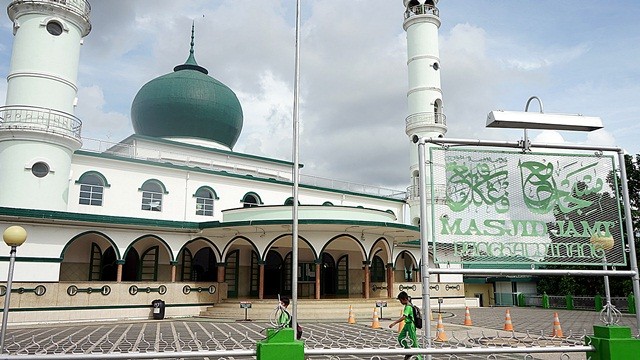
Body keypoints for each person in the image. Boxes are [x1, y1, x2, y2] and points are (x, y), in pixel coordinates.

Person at [389, 291, 421, 360]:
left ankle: (419, 357)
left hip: (410, 325)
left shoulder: (408, 307)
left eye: (401, 300)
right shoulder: (407, 305)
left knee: (414, 342)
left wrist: (394, 323)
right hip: (407, 324)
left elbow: (404, 317)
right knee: (400, 338)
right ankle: (408, 351)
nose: (400, 302)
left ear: (404, 299)